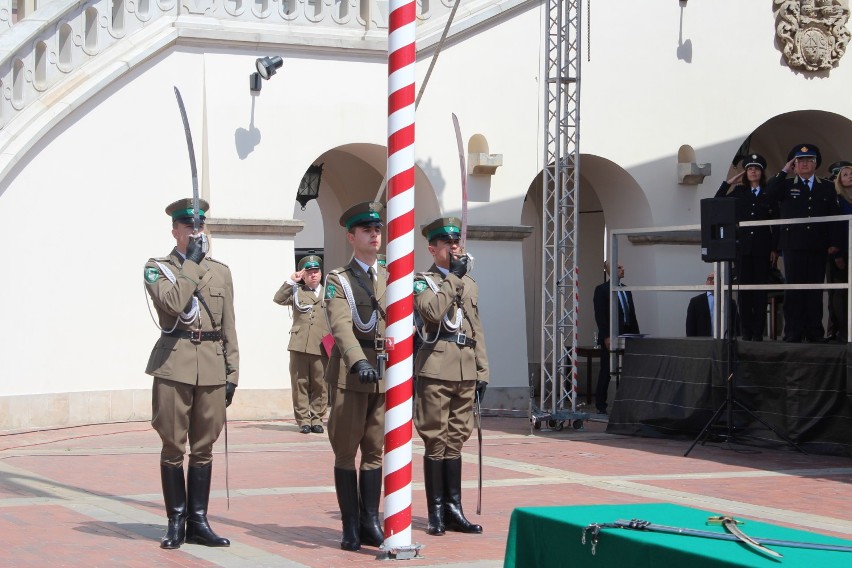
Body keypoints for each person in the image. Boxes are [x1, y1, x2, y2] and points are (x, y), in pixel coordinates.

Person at [143, 198, 239, 550]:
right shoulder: (158, 268)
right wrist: (192, 264)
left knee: (204, 448)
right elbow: (172, 303)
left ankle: (198, 521)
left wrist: (233, 371)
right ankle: (176, 520)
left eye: (200, 226)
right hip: (174, 362)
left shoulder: (222, 272)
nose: (197, 232)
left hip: (212, 365)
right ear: (176, 232)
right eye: (189, 227)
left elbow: (229, 324)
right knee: (173, 445)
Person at [413, 217, 489, 537]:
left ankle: (454, 508)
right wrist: (453, 279)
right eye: (448, 243)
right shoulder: (421, 280)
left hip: (465, 366)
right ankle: (436, 512)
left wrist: (482, 370)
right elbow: (431, 312)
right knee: (436, 438)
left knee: (457, 438)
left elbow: (475, 327)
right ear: (433, 250)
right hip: (436, 367)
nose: (456, 247)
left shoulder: (469, 283)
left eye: (457, 242)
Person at [322, 201, 387, 551]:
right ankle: (349, 524)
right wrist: (357, 360)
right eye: (366, 230)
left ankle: (369, 521)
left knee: (375, 450)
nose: (375, 234)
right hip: (353, 372)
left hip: (384, 372)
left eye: (377, 229)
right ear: (351, 237)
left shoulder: (392, 275)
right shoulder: (339, 280)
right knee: (347, 451)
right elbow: (342, 325)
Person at [765, 144, 840, 343]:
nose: (804, 164)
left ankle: (815, 332)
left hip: (818, 245)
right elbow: (769, 194)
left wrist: (834, 243)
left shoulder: (827, 186)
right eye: (800, 161)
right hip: (793, 245)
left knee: (815, 290)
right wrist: (783, 171)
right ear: (794, 164)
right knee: (794, 289)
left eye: (809, 160)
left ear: (815, 164)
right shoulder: (787, 185)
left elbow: (834, 215)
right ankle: (793, 332)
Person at [714, 153, 777, 341]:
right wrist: (730, 182)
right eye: (750, 169)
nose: (753, 172)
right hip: (743, 249)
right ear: (746, 173)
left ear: (761, 172)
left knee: (759, 291)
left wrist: (775, 248)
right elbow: (717, 201)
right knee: (744, 292)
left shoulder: (769, 193)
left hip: (762, 248)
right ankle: (746, 332)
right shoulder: (740, 192)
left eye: (756, 169)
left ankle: (758, 332)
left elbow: (777, 222)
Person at [273, 255, 329, 434]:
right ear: (303, 276)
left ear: (321, 274)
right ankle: (304, 420)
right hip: (299, 344)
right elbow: (278, 298)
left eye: (316, 271)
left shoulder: (330, 293)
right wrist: (291, 281)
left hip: (321, 344)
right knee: (300, 383)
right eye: (309, 272)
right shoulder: (297, 292)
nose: (313, 275)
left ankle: (317, 418)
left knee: (320, 384)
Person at [592, 262, 639, 415]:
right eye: (619, 267)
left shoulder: (626, 289)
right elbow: (600, 315)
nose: (623, 269)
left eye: (623, 267)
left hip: (627, 332)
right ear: (610, 270)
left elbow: (631, 314)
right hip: (611, 334)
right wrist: (606, 336)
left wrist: (636, 335)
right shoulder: (602, 290)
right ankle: (601, 403)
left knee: (627, 369)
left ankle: (624, 401)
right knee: (607, 368)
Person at [829, 164, 852, 342]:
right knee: (841, 293)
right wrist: (838, 255)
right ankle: (843, 331)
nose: (850, 176)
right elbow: (836, 227)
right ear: (839, 179)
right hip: (842, 252)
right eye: (845, 174)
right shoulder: (836, 200)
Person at [685, 273, 738, 337]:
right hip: (703, 342)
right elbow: (690, 326)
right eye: (708, 279)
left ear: (720, 282)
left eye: (713, 279)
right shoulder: (695, 302)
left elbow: (736, 324)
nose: (710, 281)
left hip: (725, 341)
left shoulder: (729, 302)